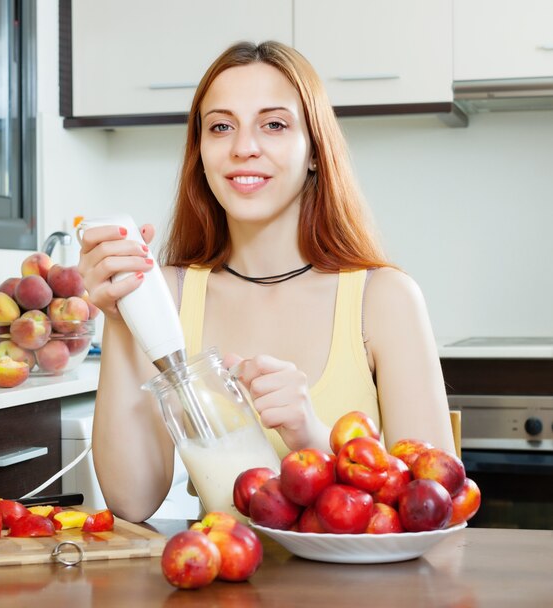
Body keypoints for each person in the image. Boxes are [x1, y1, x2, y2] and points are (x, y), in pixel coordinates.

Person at [78, 40, 455, 522]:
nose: (243, 148)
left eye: (274, 124)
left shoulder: (384, 300)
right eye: (220, 127)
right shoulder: (165, 296)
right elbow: (132, 501)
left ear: (315, 151)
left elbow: (433, 503)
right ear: (200, 153)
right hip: (219, 587)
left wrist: (309, 435)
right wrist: (119, 317)